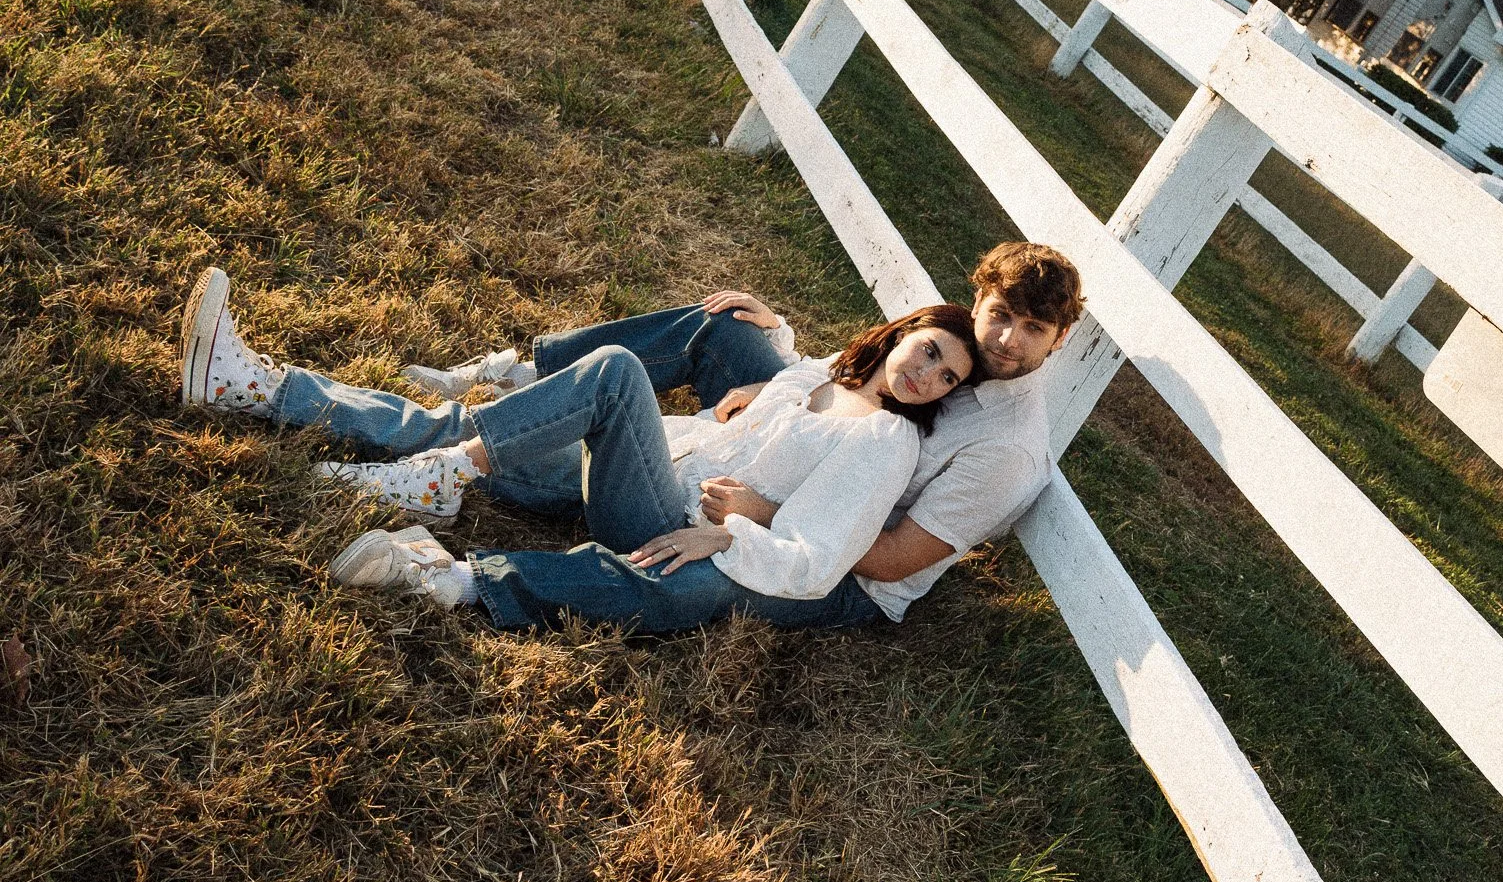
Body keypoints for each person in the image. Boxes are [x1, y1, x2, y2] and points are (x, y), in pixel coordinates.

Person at [179, 241, 1086, 629]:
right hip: (707, 470)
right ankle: (258, 386)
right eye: (994, 316)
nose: (1002, 341)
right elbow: (815, 394)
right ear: (971, 303)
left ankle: (453, 563)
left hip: (823, 563)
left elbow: (871, 556)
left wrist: (744, 520)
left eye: (1028, 332)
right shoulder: (864, 375)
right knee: (518, 433)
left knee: (683, 572)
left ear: (1057, 341)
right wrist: (774, 361)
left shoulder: (993, 443)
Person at [325, 304, 979, 632]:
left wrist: (730, 533)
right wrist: (776, 339)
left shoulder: (888, 439)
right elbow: (778, 395)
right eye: (927, 351)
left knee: (614, 374)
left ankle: (445, 503)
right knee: (507, 433)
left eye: (945, 376)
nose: (926, 377)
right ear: (903, 330)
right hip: (658, 458)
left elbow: (818, 553)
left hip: (670, 516)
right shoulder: (828, 371)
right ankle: (288, 395)